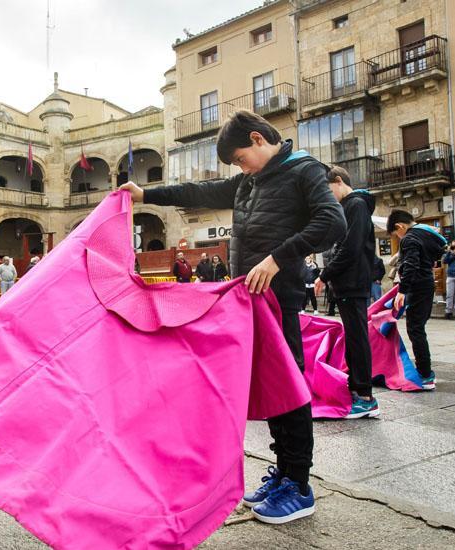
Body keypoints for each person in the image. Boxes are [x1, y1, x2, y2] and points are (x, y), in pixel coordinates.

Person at [120, 109, 346, 524]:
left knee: (289, 387)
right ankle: (283, 471)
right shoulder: (249, 181)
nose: (240, 167)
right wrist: (146, 195)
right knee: (272, 384)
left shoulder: (304, 171)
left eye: (241, 157)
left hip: (281, 296)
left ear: (259, 140)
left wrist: (277, 260)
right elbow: (198, 192)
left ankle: (299, 484)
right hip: (252, 300)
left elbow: (333, 223)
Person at [315, 165, 379, 418]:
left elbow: (350, 247)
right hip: (347, 283)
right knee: (353, 336)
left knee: (357, 337)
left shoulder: (355, 205)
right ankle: (357, 387)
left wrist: (324, 273)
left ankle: (365, 396)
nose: (328, 197)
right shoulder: (349, 207)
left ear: (338, 181)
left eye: (328, 191)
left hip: (352, 282)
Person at [387, 210, 446, 390]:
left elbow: (412, 263)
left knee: (415, 328)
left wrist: (402, 290)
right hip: (427, 283)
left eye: (397, 234)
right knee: (418, 327)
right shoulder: (428, 235)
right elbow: (435, 257)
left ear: (400, 226)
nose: (399, 237)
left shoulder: (410, 238)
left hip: (417, 286)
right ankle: (426, 371)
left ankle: (425, 374)